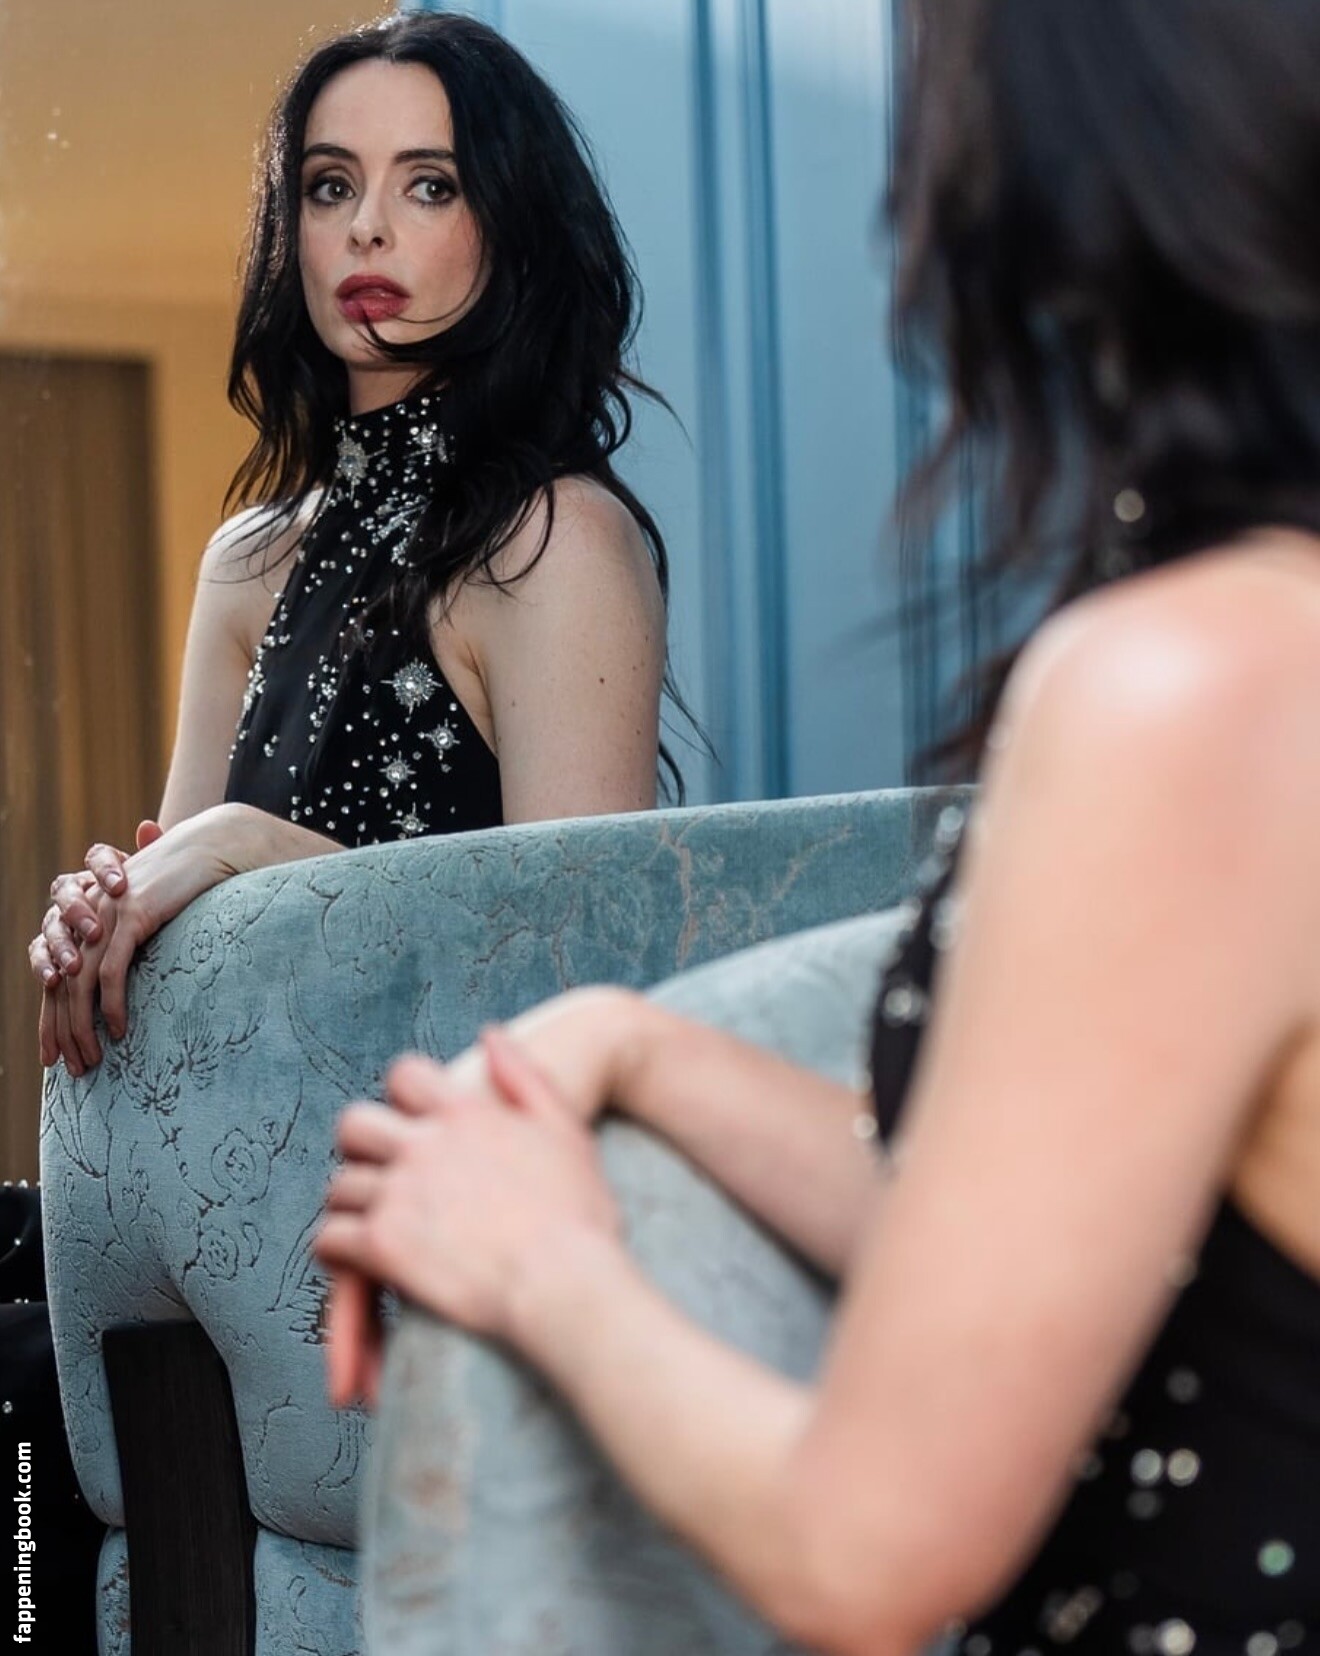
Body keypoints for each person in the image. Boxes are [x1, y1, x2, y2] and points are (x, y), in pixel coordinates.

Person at [315, 0, 1320, 1650]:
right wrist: (638, 1043)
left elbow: (866, 1553)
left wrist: (537, 1262)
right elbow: (1034, 1230)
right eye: (332, 184)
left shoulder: (1189, 689)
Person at [27, 12, 680, 1078]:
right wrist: (107, 914)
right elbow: (179, 977)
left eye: (430, 186)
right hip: (250, 1159)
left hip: (466, 1162)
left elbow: (576, 975)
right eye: (330, 186)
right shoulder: (245, 562)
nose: (367, 228)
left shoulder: (554, 538)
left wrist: (245, 845)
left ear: (511, 225)